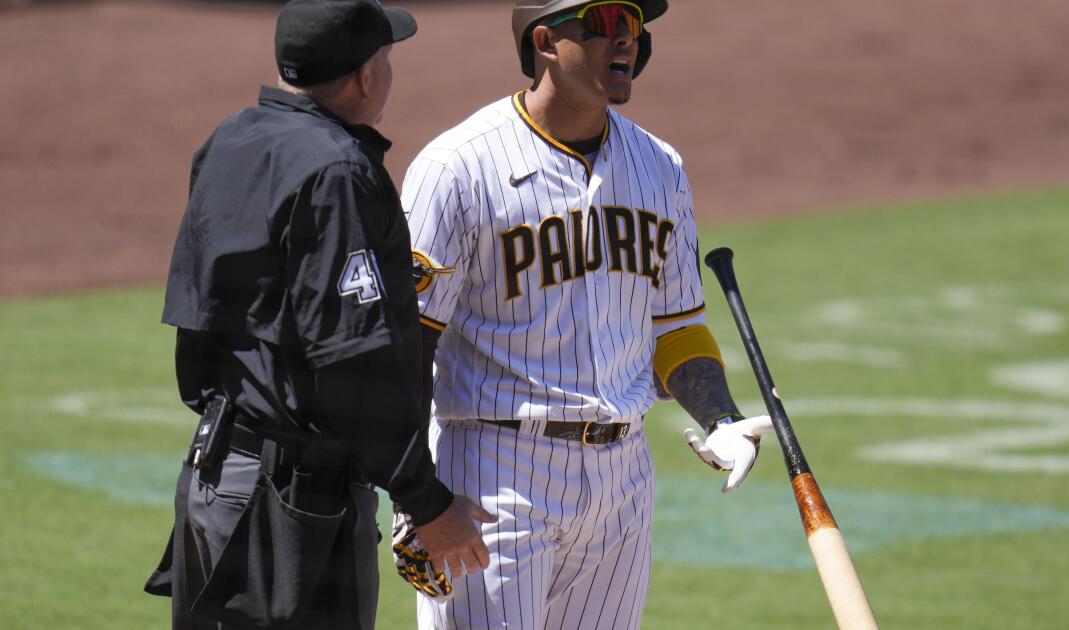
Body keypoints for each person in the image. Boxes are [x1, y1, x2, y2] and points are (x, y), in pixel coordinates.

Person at [393, 1, 775, 627]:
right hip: (495, 476)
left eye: (631, 26)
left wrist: (721, 416)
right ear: (545, 41)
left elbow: (675, 326)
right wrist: (420, 501)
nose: (623, 40)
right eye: (602, 25)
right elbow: (405, 347)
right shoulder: (457, 168)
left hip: (623, 479)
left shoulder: (659, 167)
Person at [143, 1, 493, 628]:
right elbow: (354, 357)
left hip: (214, 479)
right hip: (292, 513)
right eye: (386, 61)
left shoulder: (228, 140)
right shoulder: (338, 171)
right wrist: (425, 499)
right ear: (364, 77)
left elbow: (200, 314)